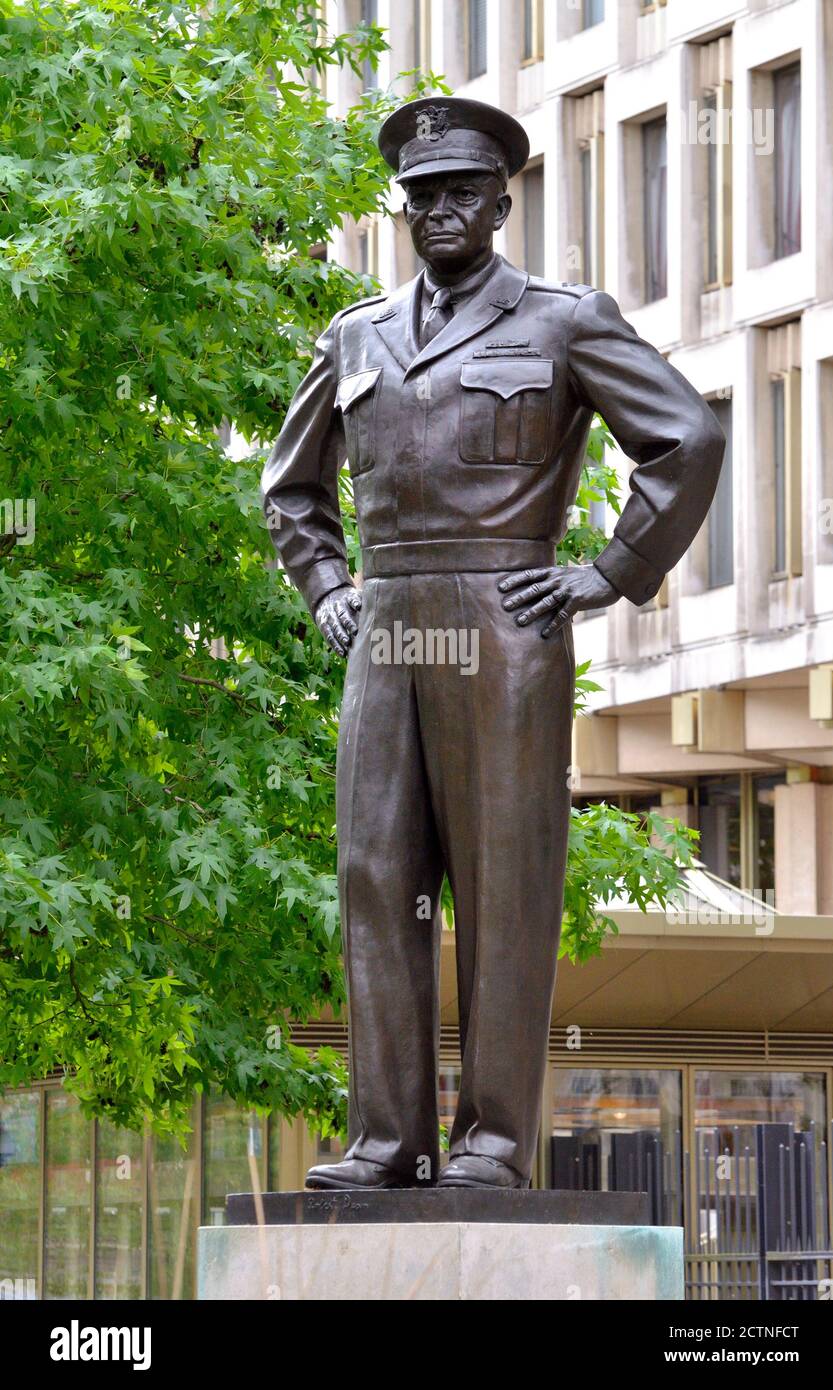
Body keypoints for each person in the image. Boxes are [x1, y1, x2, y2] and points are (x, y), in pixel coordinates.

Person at [261, 97, 724, 1190]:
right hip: (386, 625)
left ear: (502, 200)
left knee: (504, 881)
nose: (439, 212)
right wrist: (327, 582)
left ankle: (496, 1140)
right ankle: (386, 1138)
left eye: (460, 192)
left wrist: (610, 572)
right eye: (420, 196)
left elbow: (688, 435)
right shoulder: (356, 332)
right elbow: (292, 487)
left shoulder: (564, 319)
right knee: (378, 875)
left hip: (503, 619)